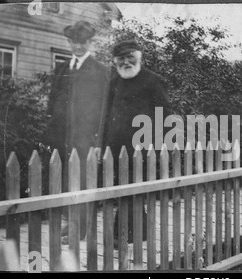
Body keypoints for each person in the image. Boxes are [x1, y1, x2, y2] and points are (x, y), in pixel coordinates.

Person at [44, 20, 111, 241]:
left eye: (83, 42)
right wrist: (49, 132)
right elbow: (52, 103)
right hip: (61, 136)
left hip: (85, 138)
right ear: (69, 42)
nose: (78, 47)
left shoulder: (100, 71)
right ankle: (69, 223)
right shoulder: (62, 68)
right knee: (64, 179)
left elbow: (103, 110)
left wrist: (99, 141)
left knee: (81, 181)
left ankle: (79, 229)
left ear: (90, 42)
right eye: (74, 42)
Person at [103, 40, 170, 243]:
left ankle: (120, 235)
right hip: (116, 148)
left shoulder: (153, 81)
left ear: (139, 56)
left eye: (130, 56)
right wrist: (103, 145)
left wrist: (158, 149)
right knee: (126, 189)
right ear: (115, 61)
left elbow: (165, 117)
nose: (126, 62)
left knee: (130, 188)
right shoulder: (114, 81)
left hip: (142, 148)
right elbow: (105, 116)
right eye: (121, 58)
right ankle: (139, 231)